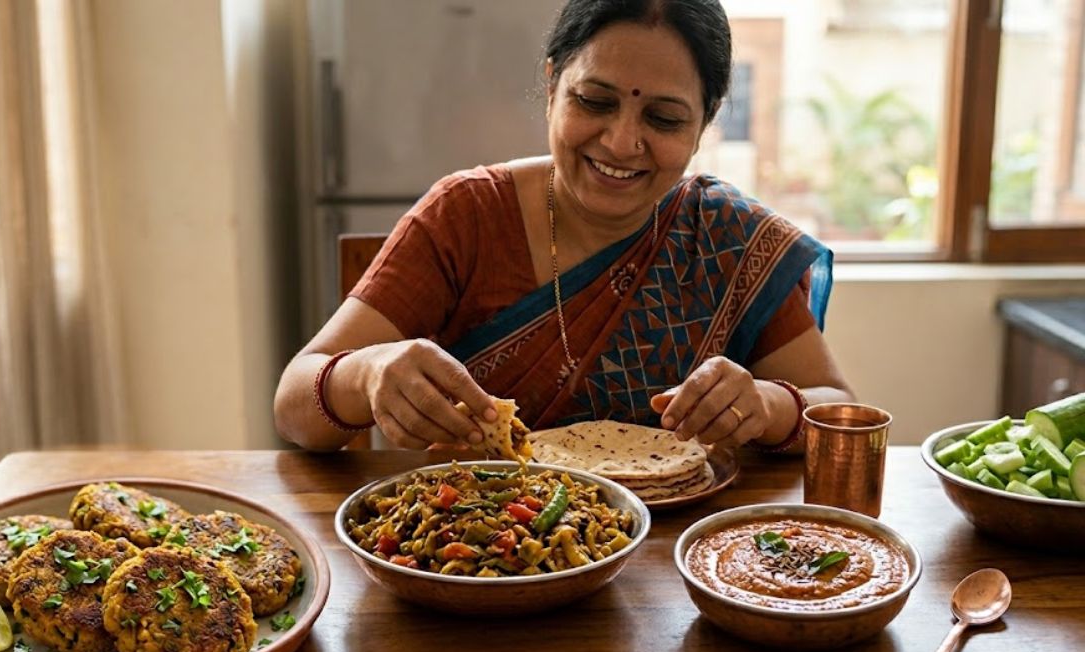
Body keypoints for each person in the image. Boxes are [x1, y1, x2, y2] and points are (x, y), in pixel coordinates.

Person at [274, 0, 854, 453]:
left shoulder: (726, 239)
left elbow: (837, 410)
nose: (622, 142)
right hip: (481, 550)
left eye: (663, 118)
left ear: (704, 124)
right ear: (552, 87)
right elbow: (294, 405)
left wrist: (765, 405)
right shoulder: (466, 217)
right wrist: (367, 374)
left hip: (676, 557)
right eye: (595, 102)